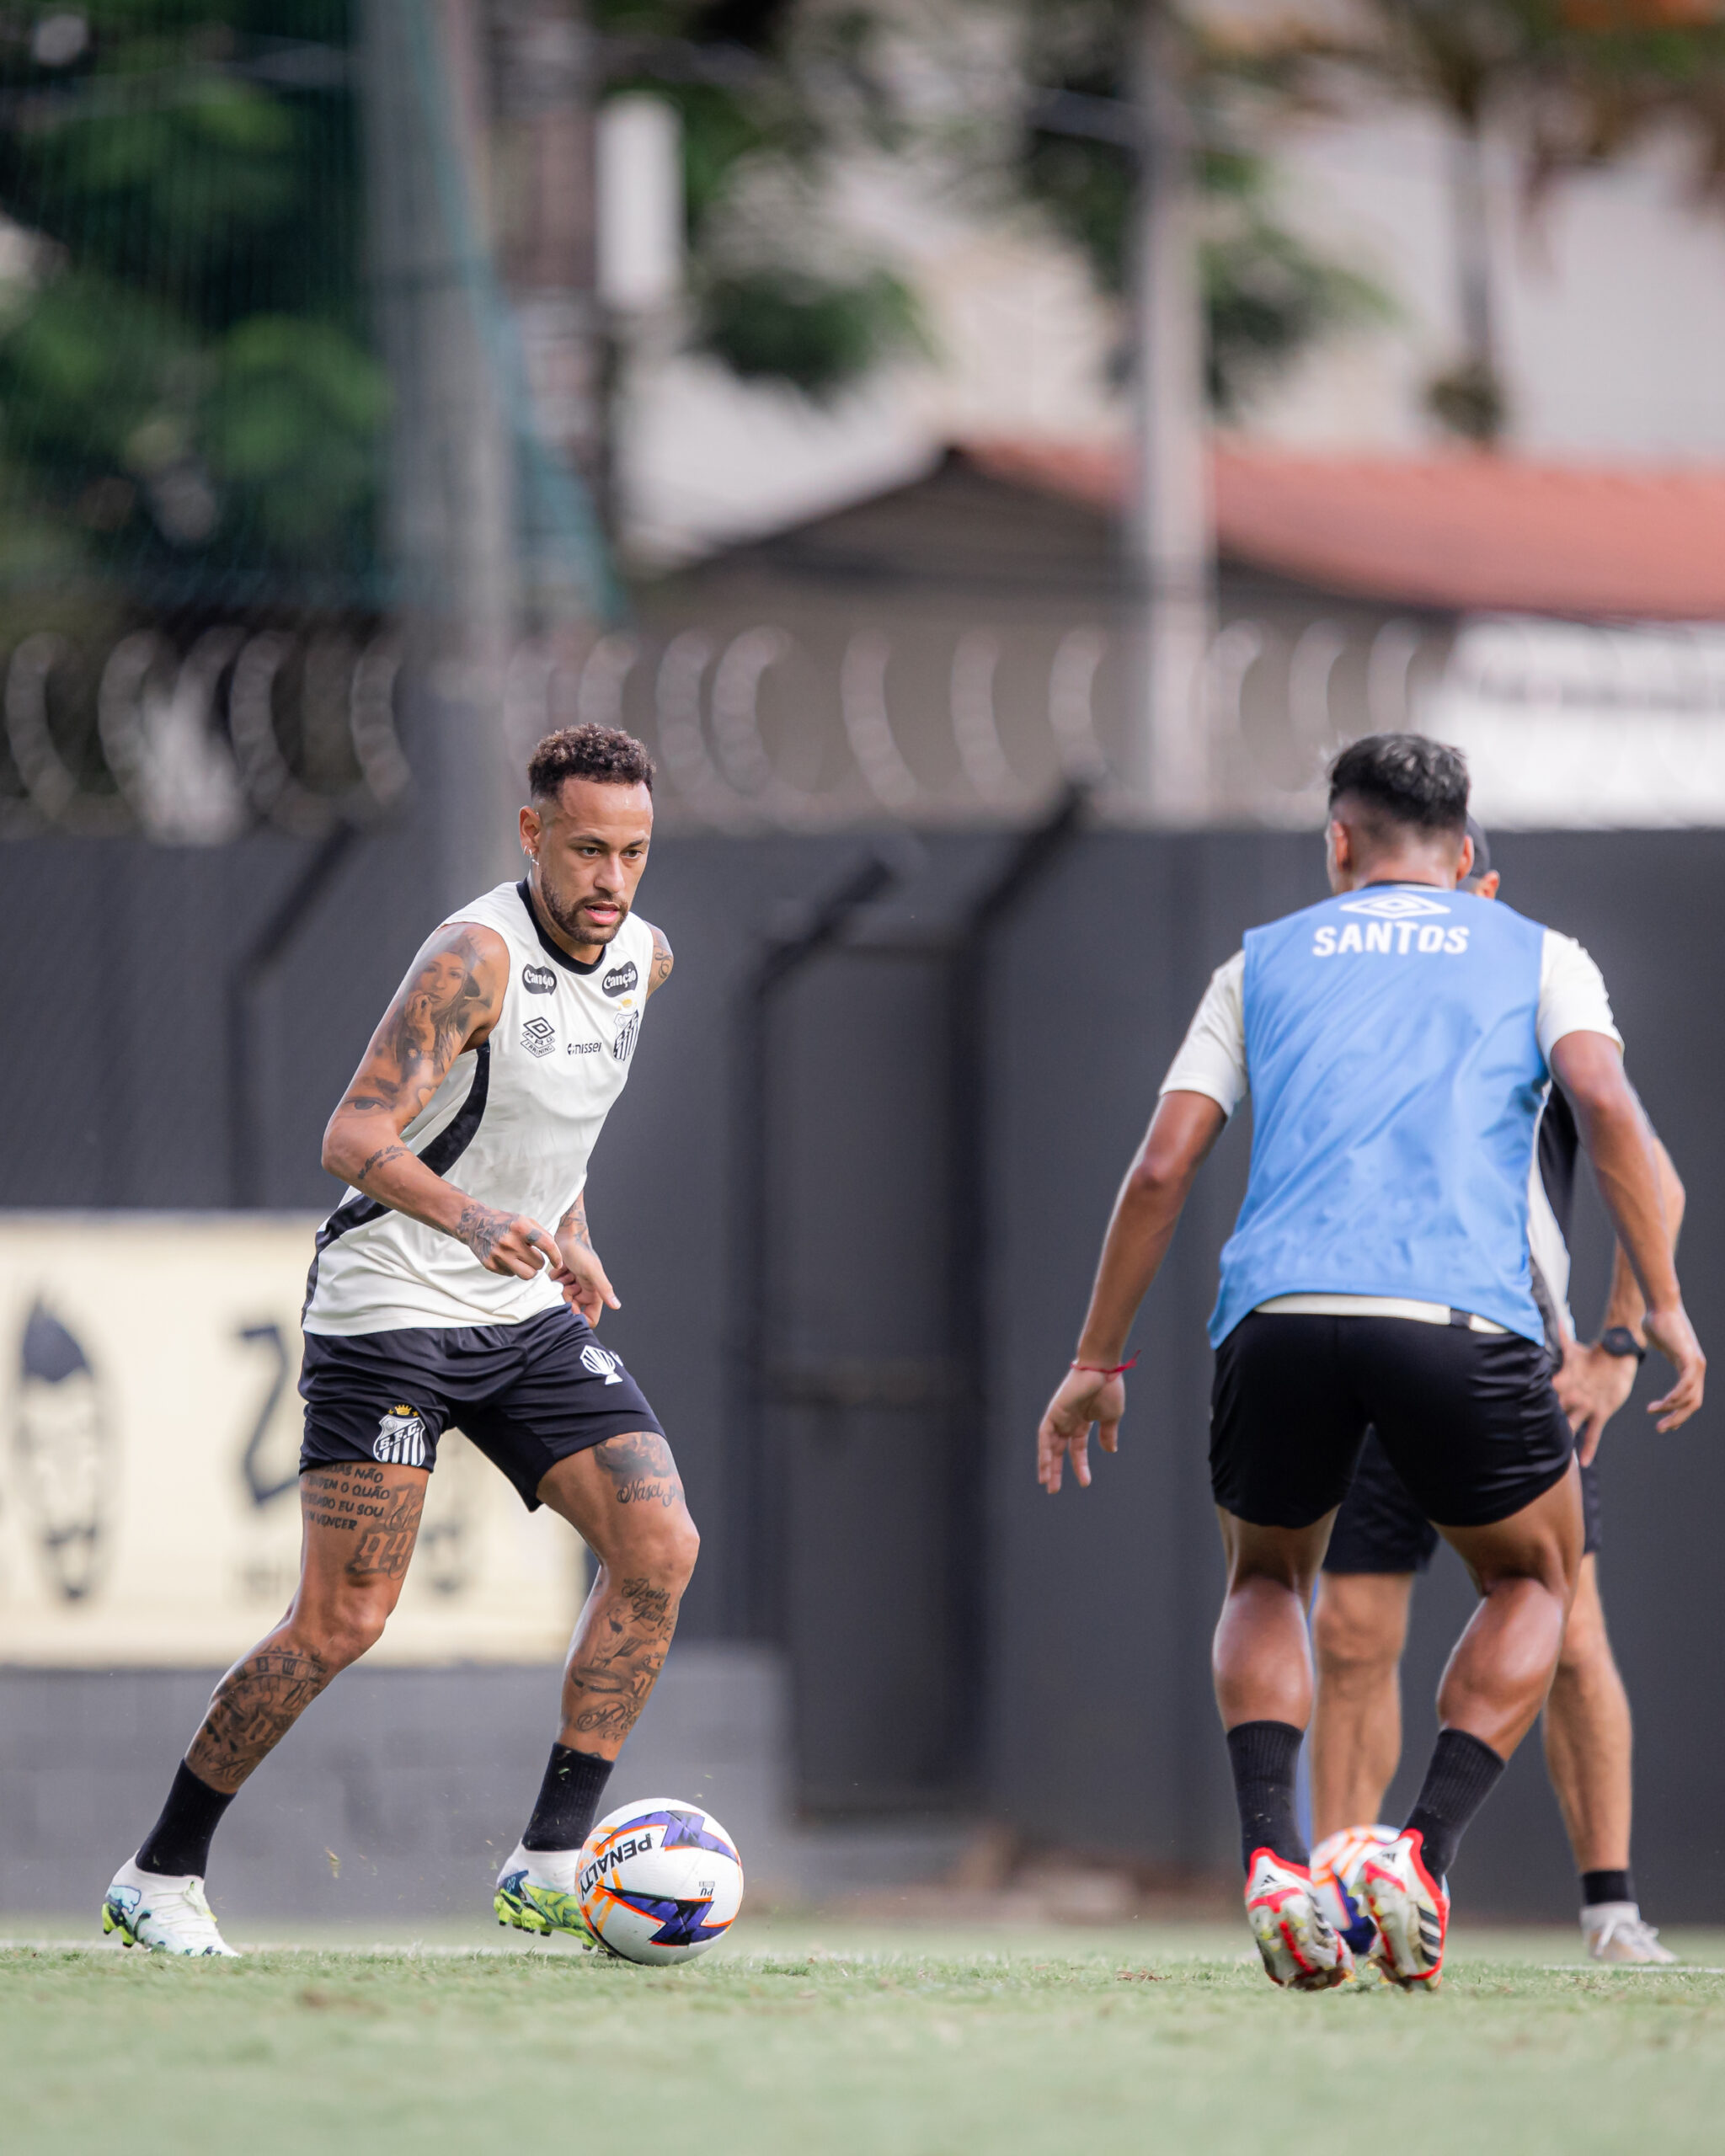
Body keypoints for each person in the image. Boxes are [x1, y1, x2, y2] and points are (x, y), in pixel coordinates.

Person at [1036, 734, 1703, 1991]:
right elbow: (1615, 1117)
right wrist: (1658, 1305)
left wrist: (1095, 1359)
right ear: (1466, 857)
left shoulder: (1263, 959)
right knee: (1537, 1585)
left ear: (1337, 841)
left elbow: (1162, 1169)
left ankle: (1276, 1865)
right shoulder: (1540, 954)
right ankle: (1417, 1850)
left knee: (1267, 1580)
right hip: (1465, 1319)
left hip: (1278, 1318)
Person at [102, 723, 697, 1956]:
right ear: (531, 834)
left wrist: (567, 1224)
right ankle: (158, 1874)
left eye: (634, 853)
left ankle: (546, 1862)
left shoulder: (644, 959)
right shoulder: (470, 960)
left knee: (659, 1544)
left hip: (518, 1307)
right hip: (390, 1307)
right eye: (587, 849)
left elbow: (546, 1121)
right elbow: (353, 1135)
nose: (611, 881)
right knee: (343, 1622)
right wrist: (476, 1218)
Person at [1310, 819, 1685, 1967]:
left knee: (1570, 1632)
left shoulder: (1537, 1005)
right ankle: (1340, 1904)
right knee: (1356, 1633)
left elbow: (1647, 1173)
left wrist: (1620, 1341)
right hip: (1379, 1358)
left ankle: (1612, 1914)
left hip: (1515, 1364)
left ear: (1482, 886)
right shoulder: (1345, 1017)